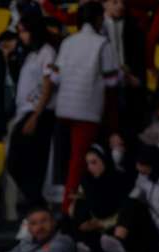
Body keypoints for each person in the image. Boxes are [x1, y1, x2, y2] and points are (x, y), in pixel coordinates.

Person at [46, 2, 119, 212]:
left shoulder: (68, 42)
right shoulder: (102, 43)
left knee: (65, 162)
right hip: (87, 111)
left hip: (63, 110)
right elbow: (112, 83)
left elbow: (55, 77)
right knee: (78, 163)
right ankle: (68, 210)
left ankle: (65, 207)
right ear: (98, 19)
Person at [8, 14, 57, 208]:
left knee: (26, 163)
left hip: (39, 113)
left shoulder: (47, 52)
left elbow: (48, 85)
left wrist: (36, 115)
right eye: (20, 32)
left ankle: (37, 204)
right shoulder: (31, 55)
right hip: (25, 112)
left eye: (24, 31)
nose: (22, 36)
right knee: (18, 163)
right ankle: (36, 204)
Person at [69, 144, 133, 252]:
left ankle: (114, 244)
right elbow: (79, 200)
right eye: (88, 163)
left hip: (112, 225)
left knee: (130, 205)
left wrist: (102, 224)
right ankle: (82, 244)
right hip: (92, 223)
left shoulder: (119, 179)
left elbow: (124, 211)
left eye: (94, 162)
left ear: (104, 160)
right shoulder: (87, 179)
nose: (90, 167)